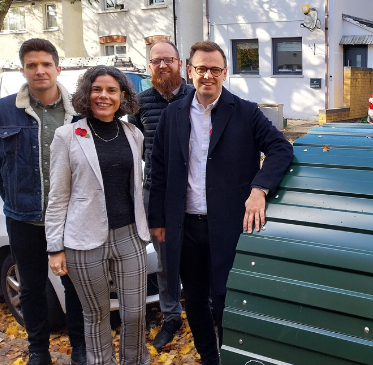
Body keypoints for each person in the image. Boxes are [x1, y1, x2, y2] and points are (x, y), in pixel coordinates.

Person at [148, 41, 293, 365]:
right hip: (186, 227)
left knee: (225, 298)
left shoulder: (245, 111)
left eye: (215, 69)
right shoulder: (173, 114)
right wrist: (157, 219)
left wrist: (259, 190)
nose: (208, 75)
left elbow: (280, 148)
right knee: (195, 299)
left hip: (228, 226)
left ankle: (230, 356)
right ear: (190, 71)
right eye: (201, 69)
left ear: (225, 72)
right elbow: (158, 168)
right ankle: (210, 358)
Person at [45, 66, 150, 365]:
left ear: (123, 96)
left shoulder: (133, 134)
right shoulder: (67, 135)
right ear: (86, 94)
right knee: (96, 315)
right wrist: (55, 247)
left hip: (130, 234)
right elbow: (58, 196)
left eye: (112, 90)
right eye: (97, 89)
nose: (104, 96)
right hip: (83, 240)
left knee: (135, 312)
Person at [0, 39, 86, 365]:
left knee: (76, 288)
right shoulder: (2, 111)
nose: (40, 70)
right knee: (32, 289)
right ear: (23, 70)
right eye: (32, 65)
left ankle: (81, 350)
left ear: (58, 68)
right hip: (24, 220)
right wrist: (15, 198)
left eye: (46, 64)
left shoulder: (79, 111)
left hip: (72, 219)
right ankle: (38, 351)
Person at [127, 40, 193, 350]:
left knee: (199, 255)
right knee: (166, 259)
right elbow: (137, 149)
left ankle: (203, 307)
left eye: (168, 59)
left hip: (196, 193)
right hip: (157, 194)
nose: (163, 65)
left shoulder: (199, 97)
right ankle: (171, 315)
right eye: (156, 61)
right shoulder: (139, 104)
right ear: (150, 67)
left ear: (180, 63)